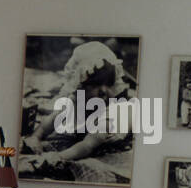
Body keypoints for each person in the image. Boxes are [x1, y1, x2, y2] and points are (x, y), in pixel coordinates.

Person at [21, 40, 136, 176]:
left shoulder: (112, 113)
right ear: (79, 86)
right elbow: (52, 119)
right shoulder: (78, 99)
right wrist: (36, 137)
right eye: (95, 85)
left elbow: (87, 145)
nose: (103, 90)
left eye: (109, 84)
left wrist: (58, 157)